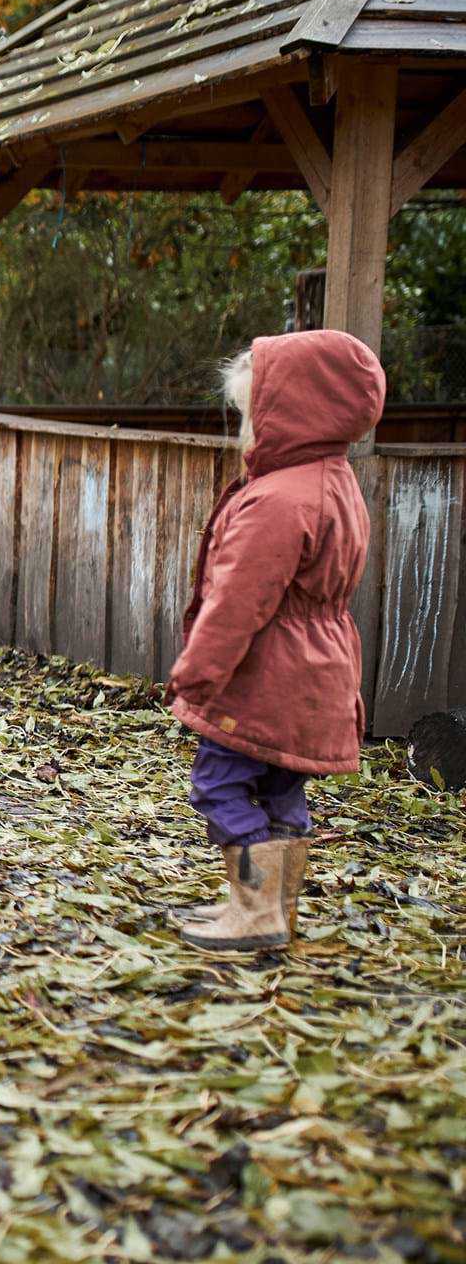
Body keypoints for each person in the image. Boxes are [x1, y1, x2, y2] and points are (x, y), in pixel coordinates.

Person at [169, 330, 383, 953]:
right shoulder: (334, 480)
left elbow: (239, 601)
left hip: (265, 675)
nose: (247, 429)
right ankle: (271, 906)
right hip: (316, 673)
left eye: (251, 414)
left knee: (220, 783)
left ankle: (256, 911)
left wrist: (197, 672)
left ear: (289, 413)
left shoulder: (279, 500)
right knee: (281, 786)